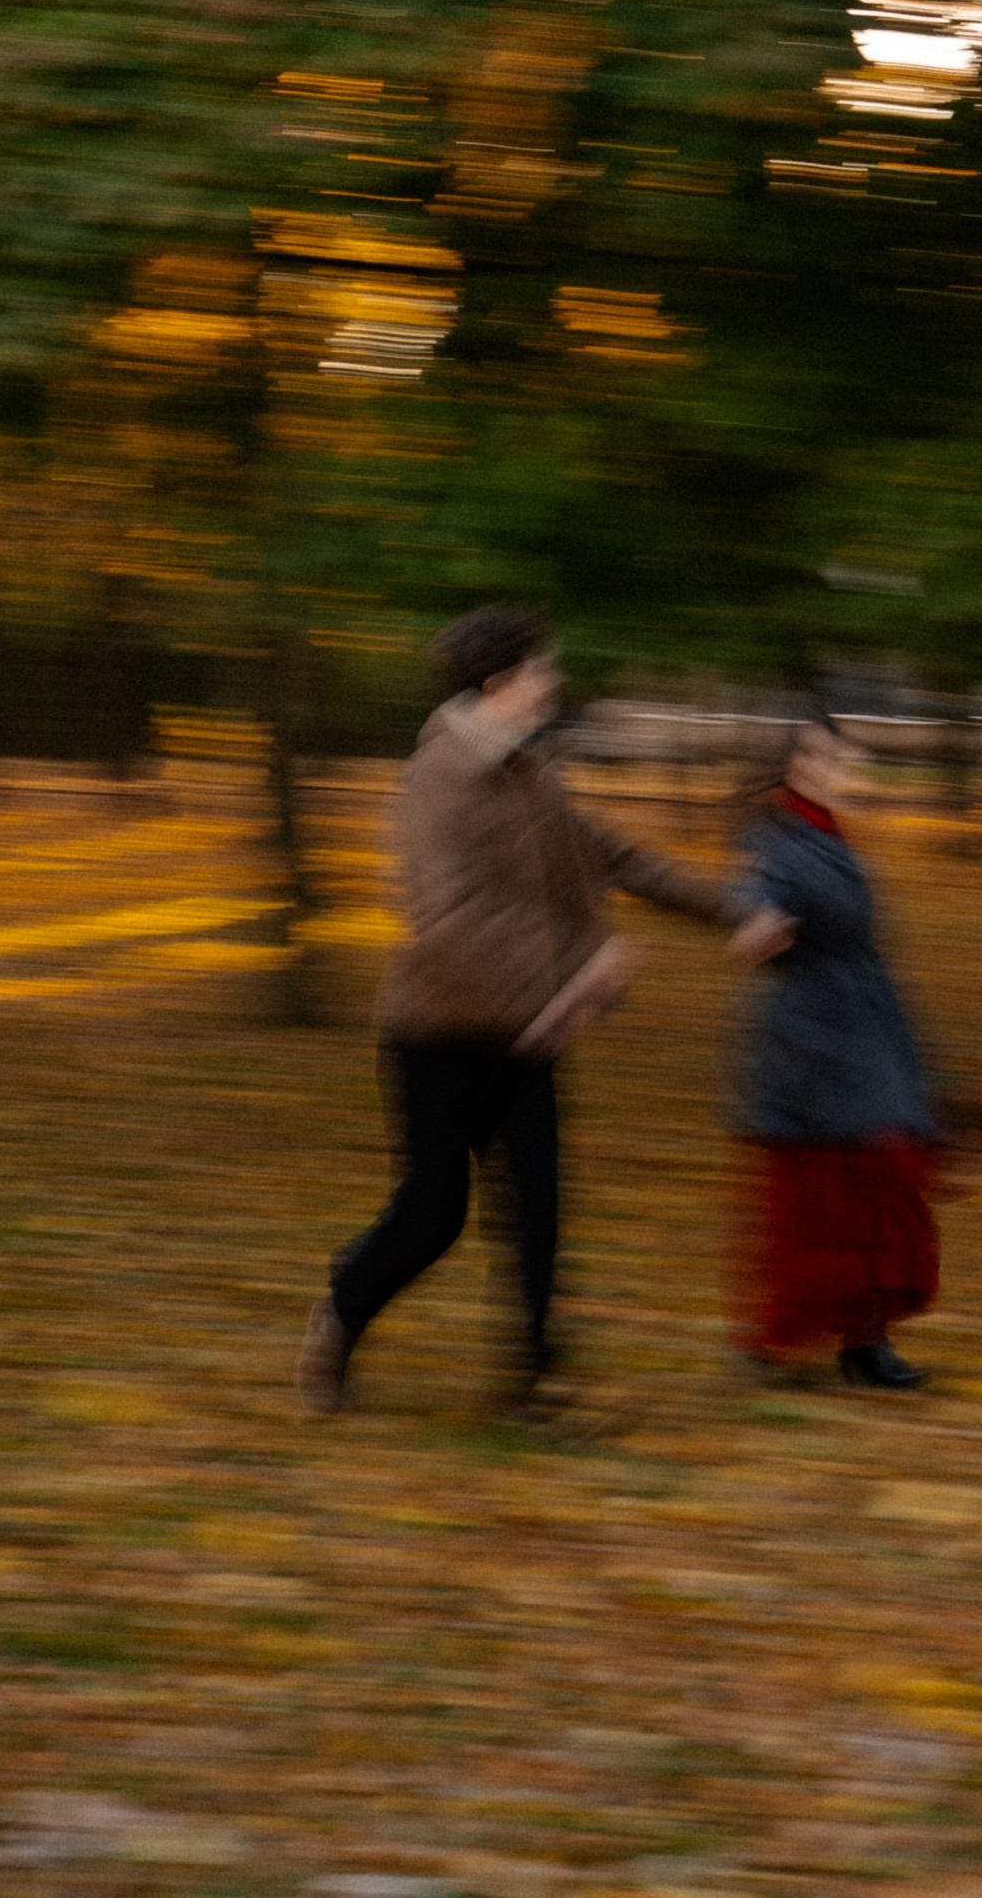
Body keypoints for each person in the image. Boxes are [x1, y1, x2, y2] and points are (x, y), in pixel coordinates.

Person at [298, 606, 782, 1418]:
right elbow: (446, 916)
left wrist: (739, 911)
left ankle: (531, 1390)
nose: (555, 681)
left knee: (539, 1211)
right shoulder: (437, 779)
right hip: (441, 1034)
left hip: (529, 1033)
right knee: (433, 1215)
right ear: (502, 682)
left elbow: (614, 856)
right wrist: (574, 974)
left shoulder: (531, 773)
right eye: (544, 669)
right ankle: (343, 1313)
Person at [730, 708, 945, 1391]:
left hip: (866, 1033)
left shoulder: (832, 836)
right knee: (823, 1198)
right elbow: (757, 894)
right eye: (821, 759)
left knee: (884, 1184)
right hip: (813, 1047)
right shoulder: (779, 841)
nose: (837, 771)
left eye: (843, 759)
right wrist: (756, 924)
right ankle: (770, 1344)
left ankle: (864, 1341)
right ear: (793, 766)